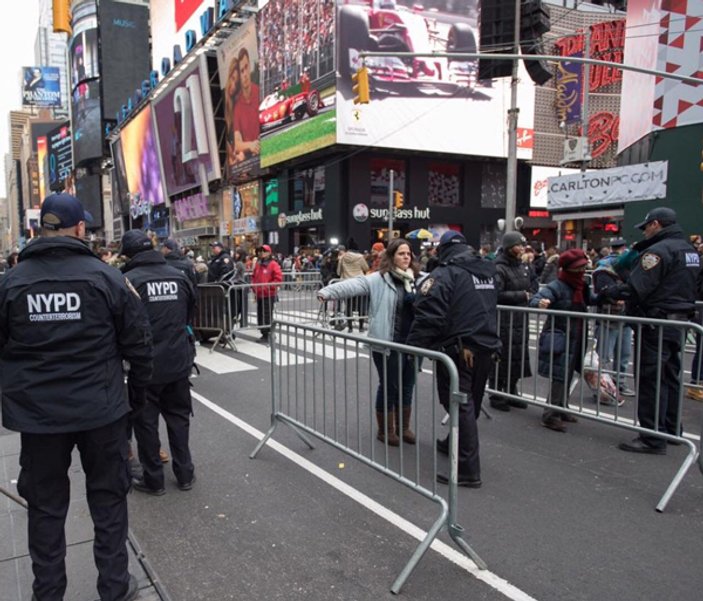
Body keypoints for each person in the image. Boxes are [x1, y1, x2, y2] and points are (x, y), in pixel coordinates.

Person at [0, 193, 153, 601]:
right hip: (101, 411)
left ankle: (48, 592)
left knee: (45, 508)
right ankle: (114, 587)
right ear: (80, 229)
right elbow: (139, 346)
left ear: (40, 229)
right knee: (108, 500)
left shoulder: (11, 283)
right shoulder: (107, 278)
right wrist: (135, 403)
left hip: (38, 417)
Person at [600, 207, 700, 454]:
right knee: (671, 376)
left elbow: (637, 288)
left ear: (656, 224)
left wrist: (611, 292)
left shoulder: (657, 252)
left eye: (646, 227)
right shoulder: (690, 251)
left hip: (655, 322)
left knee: (651, 378)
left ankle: (652, 437)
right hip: (679, 322)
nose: (645, 232)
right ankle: (671, 430)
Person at [406, 231, 501, 488]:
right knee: (470, 402)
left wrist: (413, 351)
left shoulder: (445, 275)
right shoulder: (489, 271)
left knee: (460, 404)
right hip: (487, 345)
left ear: (444, 249)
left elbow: (428, 316)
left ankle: (469, 470)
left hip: (459, 349)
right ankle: (453, 443)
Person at [318, 239, 419, 446]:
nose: (406, 257)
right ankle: (386, 430)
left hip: (413, 343)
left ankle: (404, 427)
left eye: (408, 253)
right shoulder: (378, 279)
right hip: (387, 343)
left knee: (407, 386)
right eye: (401, 254)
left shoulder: (417, 280)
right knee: (390, 386)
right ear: (391, 257)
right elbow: (354, 284)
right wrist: (327, 293)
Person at [120, 230, 197, 495]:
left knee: (146, 424)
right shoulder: (180, 276)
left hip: (145, 367)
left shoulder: (127, 281)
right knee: (179, 420)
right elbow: (189, 316)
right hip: (178, 362)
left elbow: (122, 326)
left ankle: (154, 479)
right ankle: (185, 473)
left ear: (127, 254)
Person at [529, 248, 597, 432]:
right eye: (578, 268)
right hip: (562, 336)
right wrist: (540, 303)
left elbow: (591, 300)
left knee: (568, 374)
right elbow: (537, 298)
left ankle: (562, 407)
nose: (581, 271)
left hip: (577, 335)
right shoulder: (557, 286)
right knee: (560, 376)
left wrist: (609, 295)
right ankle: (550, 414)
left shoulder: (582, 285)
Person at [489, 231, 538, 411]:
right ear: (509, 247)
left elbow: (534, 284)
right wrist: (521, 295)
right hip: (503, 320)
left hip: (519, 318)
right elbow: (496, 293)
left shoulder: (523, 266)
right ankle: (496, 393)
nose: (522, 248)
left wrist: (532, 293)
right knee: (501, 356)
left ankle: (511, 390)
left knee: (517, 356)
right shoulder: (498, 267)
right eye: (518, 245)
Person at [591, 238, 635, 397]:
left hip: (622, 316)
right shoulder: (604, 268)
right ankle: (603, 387)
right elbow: (606, 292)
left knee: (622, 354)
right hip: (609, 317)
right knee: (605, 356)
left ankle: (618, 384)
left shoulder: (626, 267)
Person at [233, 47, 260, 161]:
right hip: (252, 162)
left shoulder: (259, 92)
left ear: (250, 66)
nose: (245, 74)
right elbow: (237, 144)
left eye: (246, 67)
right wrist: (250, 145)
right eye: (241, 71)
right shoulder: (237, 107)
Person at [251, 244, 282, 343]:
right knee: (261, 314)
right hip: (259, 294)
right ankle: (264, 333)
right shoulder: (259, 264)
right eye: (260, 251)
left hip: (268, 294)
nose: (262, 253)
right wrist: (254, 287)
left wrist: (267, 287)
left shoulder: (273, 264)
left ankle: (269, 334)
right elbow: (254, 276)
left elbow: (278, 279)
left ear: (269, 253)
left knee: (267, 314)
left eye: (264, 251)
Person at [337, 240, 369, 332]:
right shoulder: (360, 257)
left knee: (349, 306)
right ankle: (361, 327)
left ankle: (350, 328)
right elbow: (366, 268)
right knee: (360, 306)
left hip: (347, 285)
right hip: (359, 284)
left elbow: (338, 272)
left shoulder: (342, 258)